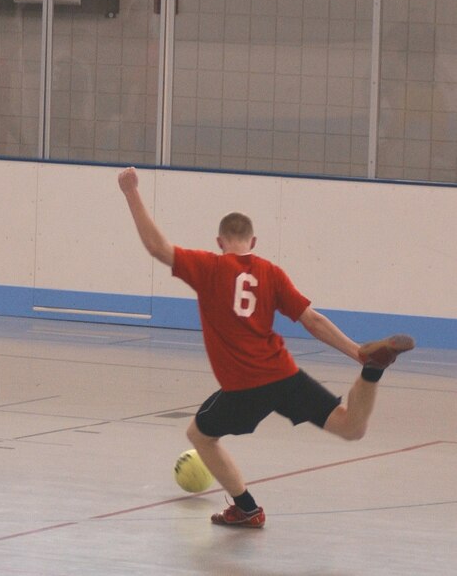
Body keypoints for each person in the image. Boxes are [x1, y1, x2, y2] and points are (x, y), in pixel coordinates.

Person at [117, 166, 415, 528]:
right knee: (352, 427)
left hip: (245, 386)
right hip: (284, 374)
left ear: (220, 242)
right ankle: (371, 371)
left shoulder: (209, 267)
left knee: (199, 435)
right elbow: (313, 320)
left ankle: (246, 508)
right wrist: (355, 351)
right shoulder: (270, 272)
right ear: (253, 243)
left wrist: (131, 191)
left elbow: (156, 248)